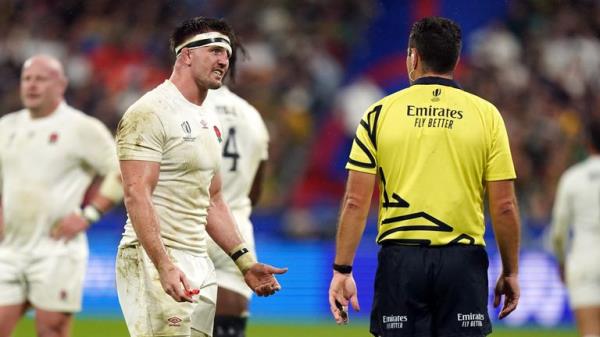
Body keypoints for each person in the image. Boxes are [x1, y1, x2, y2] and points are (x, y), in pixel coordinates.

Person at [328, 16, 521, 337]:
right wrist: (511, 270)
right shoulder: (486, 115)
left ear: (413, 57)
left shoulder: (378, 113)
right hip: (463, 261)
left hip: (401, 261)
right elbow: (504, 206)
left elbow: (354, 201)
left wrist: (342, 270)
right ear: (456, 60)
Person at [114, 16, 286, 337]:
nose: (224, 60)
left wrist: (245, 263)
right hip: (155, 258)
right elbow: (137, 194)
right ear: (186, 55)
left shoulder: (208, 119)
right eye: (214, 51)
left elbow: (213, 199)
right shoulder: (149, 112)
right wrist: (164, 265)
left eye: (227, 54)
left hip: (199, 261)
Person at [0, 54, 123, 337]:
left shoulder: (81, 128)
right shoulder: (6, 127)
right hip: (11, 248)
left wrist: (88, 215)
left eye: (41, 79)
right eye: (27, 79)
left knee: (51, 330)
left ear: (61, 85)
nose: (32, 85)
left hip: (56, 249)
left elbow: (120, 172)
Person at [204, 83, 269, 336]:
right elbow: (256, 190)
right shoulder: (252, 115)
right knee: (229, 327)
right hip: (236, 228)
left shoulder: (186, 105)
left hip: (187, 223)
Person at [550, 121, 600, 337]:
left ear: (587, 143)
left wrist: (561, 261)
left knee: (590, 332)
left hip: (584, 260)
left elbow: (559, 232)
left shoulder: (572, 178)